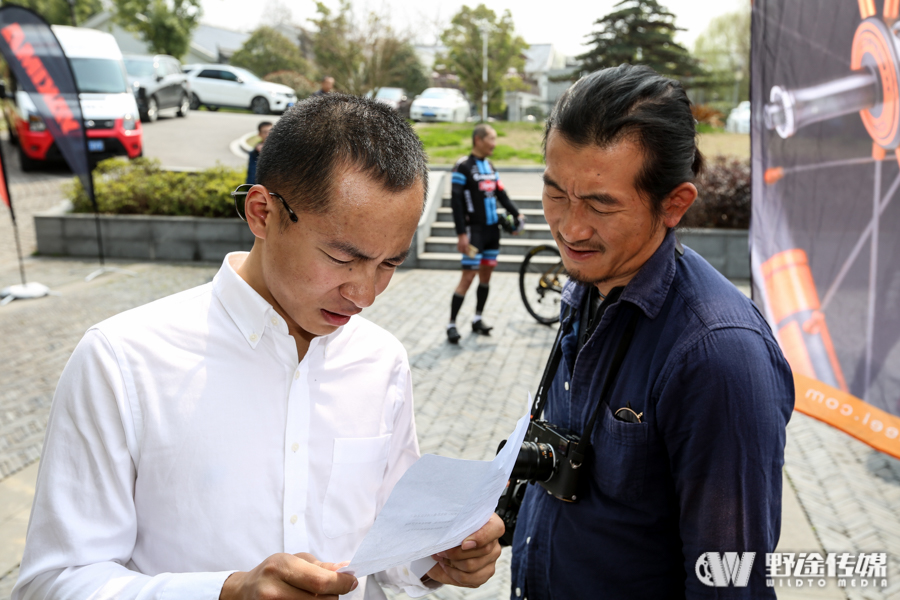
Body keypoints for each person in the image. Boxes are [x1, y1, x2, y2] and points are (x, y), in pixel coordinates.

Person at [13, 95, 505, 600]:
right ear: (262, 213)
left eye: (390, 265)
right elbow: (53, 583)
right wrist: (225, 593)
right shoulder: (122, 361)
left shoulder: (382, 361)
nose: (365, 294)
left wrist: (437, 559)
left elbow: (383, 545)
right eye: (342, 258)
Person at [510, 65, 794, 598]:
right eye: (555, 194)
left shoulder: (719, 355)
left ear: (675, 203)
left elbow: (730, 581)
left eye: (600, 203)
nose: (570, 228)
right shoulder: (589, 288)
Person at [446, 124, 523, 344]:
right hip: (474, 233)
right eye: (491, 138)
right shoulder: (462, 166)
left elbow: (501, 194)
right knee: (468, 277)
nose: (494, 144)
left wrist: (517, 214)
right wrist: (461, 234)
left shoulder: (490, 166)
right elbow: (456, 203)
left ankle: (477, 318)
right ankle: (451, 324)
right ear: (478, 140)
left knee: (486, 275)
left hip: (492, 232)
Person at [245, 120, 272, 185]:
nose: (268, 134)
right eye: (265, 132)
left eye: (271, 131)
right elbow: (252, 176)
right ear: (259, 134)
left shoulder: (281, 150)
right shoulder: (255, 153)